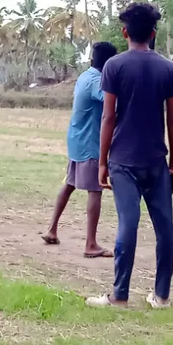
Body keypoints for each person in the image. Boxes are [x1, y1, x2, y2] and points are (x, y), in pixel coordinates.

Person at [87, 2, 173, 309]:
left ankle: (120, 295)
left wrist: (101, 162)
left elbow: (108, 118)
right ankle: (162, 296)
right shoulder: (168, 68)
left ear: (125, 32)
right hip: (157, 161)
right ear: (153, 33)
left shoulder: (114, 66)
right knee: (165, 227)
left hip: (123, 160)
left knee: (128, 224)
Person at [42, 42, 118, 257]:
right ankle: (90, 244)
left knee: (69, 184)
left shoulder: (85, 76)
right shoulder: (97, 81)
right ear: (110, 63)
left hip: (77, 140)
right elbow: (112, 104)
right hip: (89, 143)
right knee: (95, 189)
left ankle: (52, 229)